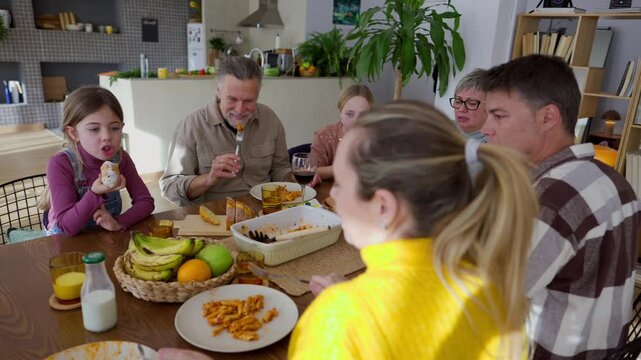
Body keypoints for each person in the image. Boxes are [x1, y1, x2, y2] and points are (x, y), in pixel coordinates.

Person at [288, 101, 539, 359]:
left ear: (383, 206)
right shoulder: (496, 296)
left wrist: (342, 305)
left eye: (340, 183)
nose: (335, 196)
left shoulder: (339, 320)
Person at [480, 54, 641, 359]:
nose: (486, 127)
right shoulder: (613, 180)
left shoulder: (550, 200)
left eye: (499, 116)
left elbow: (481, 300)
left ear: (548, 117)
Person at [160, 56, 292, 205]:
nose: (240, 110)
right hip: (216, 217)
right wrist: (208, 179)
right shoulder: (191, 126)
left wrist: (296, 184)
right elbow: (169, 188)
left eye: (249, 101)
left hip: (266, 210)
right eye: (232, 99)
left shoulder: (270, 119)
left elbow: (280, 168)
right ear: (218, 91)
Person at [44, 86, 154, 236]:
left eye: (114, 128)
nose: (107, 136)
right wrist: (95, 193)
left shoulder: (121, 159)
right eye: (94, 129)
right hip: (65, 243)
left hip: (102, 238)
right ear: (73, 133)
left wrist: (118, 222)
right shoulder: (60, 164)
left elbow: (146, 202)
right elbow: (66, 227)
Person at [310, 84, 373, 182]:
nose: (356, 121)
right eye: (349, 114)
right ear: (340, 112)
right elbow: (311, 171)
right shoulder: (325, 135)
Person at [450, 68, 488, 142]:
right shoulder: (443, 130)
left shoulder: (499, 144)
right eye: (458, 101)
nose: (461, 109)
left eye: (471, 103)